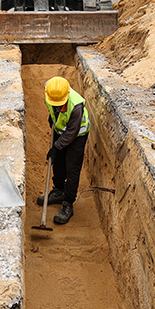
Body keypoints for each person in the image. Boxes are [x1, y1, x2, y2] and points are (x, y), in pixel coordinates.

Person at [37, 76, 90, 225]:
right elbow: (54, 109)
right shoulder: (51, 92)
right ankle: (58, 190)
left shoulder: (76, 105)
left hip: (77, 136)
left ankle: (68, 203)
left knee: (72, 169)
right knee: (58, 163)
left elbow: (72, 133)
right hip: (61, 131)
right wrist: (52, 116)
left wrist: (56, 147)